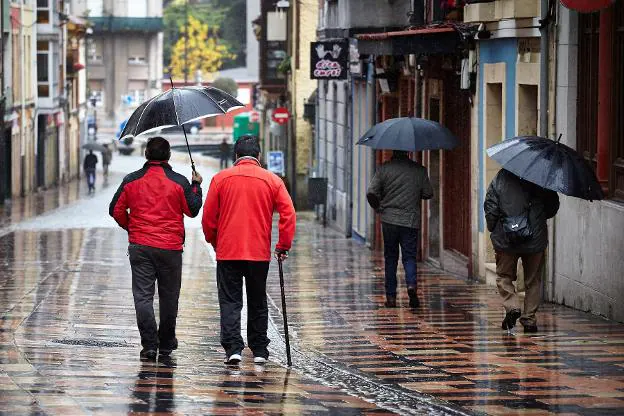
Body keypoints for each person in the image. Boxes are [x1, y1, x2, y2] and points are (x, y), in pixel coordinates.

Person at [202, 135, 296, 365]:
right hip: (258, 252)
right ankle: (260, 349)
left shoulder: (220, 179)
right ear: (259, 156)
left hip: (228, 251)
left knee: (230, 301)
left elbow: (208, 218)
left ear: (235, 156)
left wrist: (214, 241)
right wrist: (283, 244)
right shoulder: (272, 180)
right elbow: (289, 213)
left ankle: (233, 348)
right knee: (257, 300)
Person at [109, 137, 203, 360]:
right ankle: (167, 343)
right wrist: (196, 185)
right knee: (170, 297)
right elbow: (192, 210)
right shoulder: (179, 182)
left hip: (140, 247)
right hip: (170, 249)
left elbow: (115, 209)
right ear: (168, 156)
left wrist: (131, 227)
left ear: (146, 155)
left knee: (143, 296)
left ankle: (149, 345)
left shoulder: (131, 180)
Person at [484, 168, 559, 333]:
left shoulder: (501, 177)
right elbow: (553, 207)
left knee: (504, 276)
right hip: (535, 238)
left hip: (506, 237)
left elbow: (490, 205)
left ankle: (512, 307)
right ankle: (530, 320)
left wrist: (493, 227)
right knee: (533, 281)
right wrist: (537, 217)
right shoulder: (541, 177)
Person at [367, 150, 433, 309]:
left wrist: (378, 207)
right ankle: (411, 286)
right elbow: (428, 193)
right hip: (410, 221)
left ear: (393, 153)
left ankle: (391, 297)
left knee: (390, 258)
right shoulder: (420, 170)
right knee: (409, 256)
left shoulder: (383, 169)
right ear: (408, 153)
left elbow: (371, 192)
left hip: (389, 220)